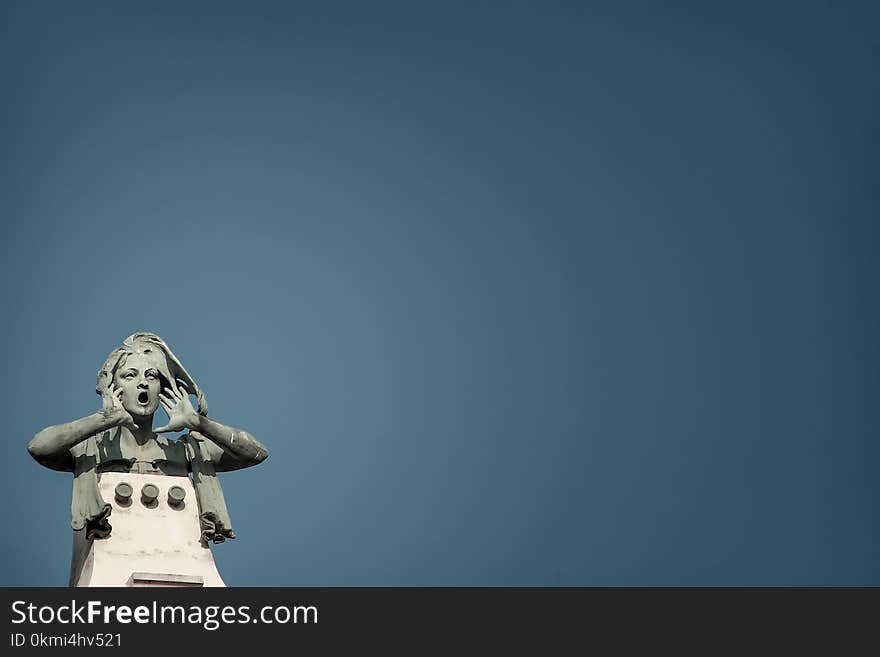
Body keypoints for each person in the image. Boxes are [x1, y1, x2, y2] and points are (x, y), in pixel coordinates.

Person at [28, 332, 268, 543]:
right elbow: (39, 447)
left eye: (151, 376)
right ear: (113, 388)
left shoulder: (183, 451)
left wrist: (197, 422)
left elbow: (255, 453)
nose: (143, 382)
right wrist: (104, 418)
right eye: (130, 375)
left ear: (161, 388)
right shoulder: (94, 448)